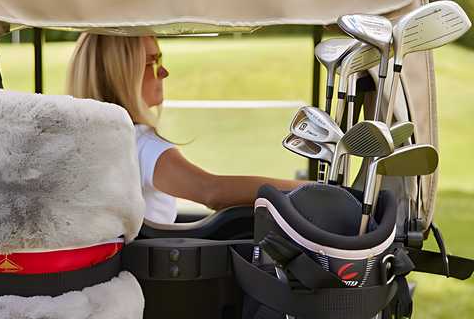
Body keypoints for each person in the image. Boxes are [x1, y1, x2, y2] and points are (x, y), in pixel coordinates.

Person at [67, 33, 303, 224]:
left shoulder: (80, 140)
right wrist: (309, 189)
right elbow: (212, 191)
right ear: (119, 73)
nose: (164, 71)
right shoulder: (140, 143)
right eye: (151, 62)